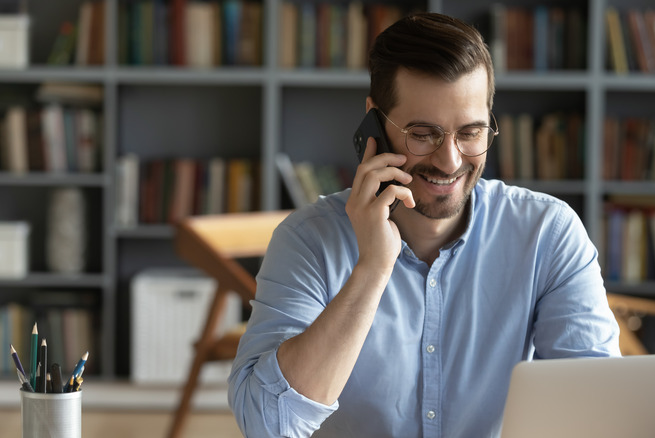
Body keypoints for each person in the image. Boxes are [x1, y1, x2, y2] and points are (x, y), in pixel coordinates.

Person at [228, 12, 620, 438]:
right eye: (423, 134)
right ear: (374, 124)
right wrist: (372, 270)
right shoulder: (308, 241)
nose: (450, 161)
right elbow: (269, 425)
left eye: (471, 133)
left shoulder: (547, 233)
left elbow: (599, 408)